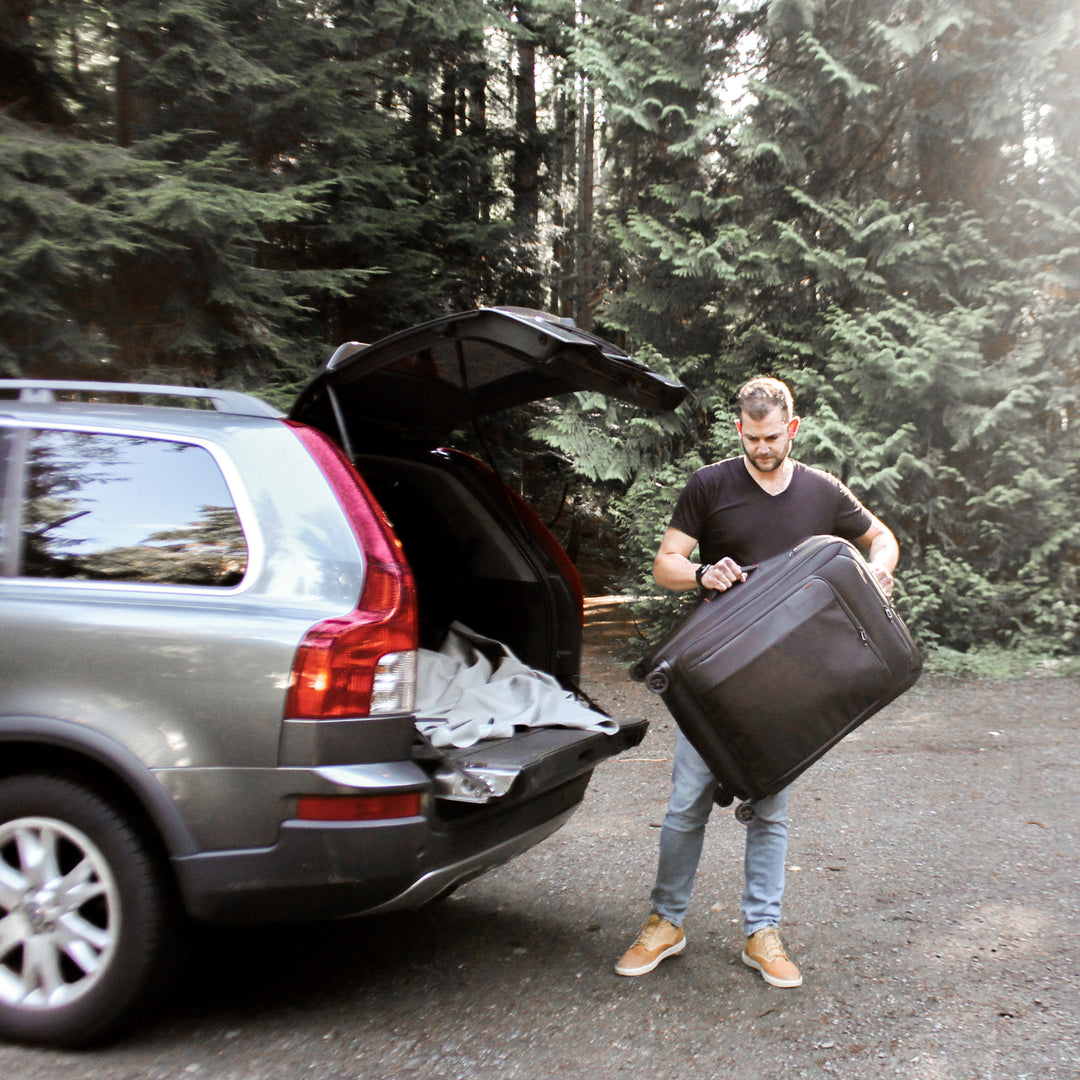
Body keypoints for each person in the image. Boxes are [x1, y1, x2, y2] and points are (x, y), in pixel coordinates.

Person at [615, 376, 899, 987]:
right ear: (737, 428)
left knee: (769, 807)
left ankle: (761, 933)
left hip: (787, 677)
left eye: (772, 437)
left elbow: (881, 537)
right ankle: (666, 922)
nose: (762, 448)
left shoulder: (822, 491)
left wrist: (876, 572)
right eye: (751, 437)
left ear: (791, 428)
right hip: (714, 674)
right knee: (686, 804)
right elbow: (665, 563)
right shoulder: (710, 484)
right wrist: (698, 574)